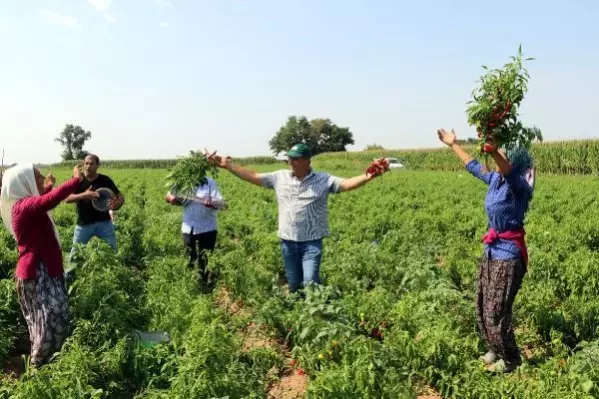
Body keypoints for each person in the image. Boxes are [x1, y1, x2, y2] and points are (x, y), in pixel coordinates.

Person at [207, 143, 388, 293]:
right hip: (288, 241)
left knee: (310, 282)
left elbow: (346, 184)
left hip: (311, 242)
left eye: (296, 158)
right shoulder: (279, 177)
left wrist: (370, 174)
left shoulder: (323, 179)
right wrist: (228, 166)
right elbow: (253, 176)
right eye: (290, 158)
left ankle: (315, 315)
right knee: (294, 284)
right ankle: (298, 314)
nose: (291, 162)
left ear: (307, 161)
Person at [437, 128, 535, 373]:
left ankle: (511, 360)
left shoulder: (519, 185)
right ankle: (495, 346)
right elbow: (473, 165)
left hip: (508, 254)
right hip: (491, 250)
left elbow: (508, 169)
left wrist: (494, 149)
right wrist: (453, 144)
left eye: (505, 156)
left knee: (496, 308)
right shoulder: (495, 180)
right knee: (482, 303)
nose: (501, 159)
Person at [0, 163, 84, 367]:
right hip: (35, 273)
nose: (41, 178)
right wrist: (75, 180)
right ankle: (38, 363)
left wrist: (46, 186)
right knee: (47, 318)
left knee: (56, 314)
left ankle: (51, 359)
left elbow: (41, 202)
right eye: (37, 176)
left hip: (46, 268)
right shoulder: (22, 207)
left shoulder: (27, 204)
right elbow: (47, 202)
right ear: (24, 182)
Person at [164, 177, 227, 285]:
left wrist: (212, 202)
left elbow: (223, 204)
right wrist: (172, 199)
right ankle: (190, 283)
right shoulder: (183, 181)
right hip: (188, 226)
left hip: (207, 226)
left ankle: (205, 283)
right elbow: (167, 196)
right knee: (189, 256)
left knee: (205, 257)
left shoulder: (209, 182)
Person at [65, 154, 124, 253]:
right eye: (86, 163)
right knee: (75, 254)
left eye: (91, 164)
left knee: (112, 252)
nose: (88, 166)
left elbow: (120, 197)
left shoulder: (105, 180)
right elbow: (67, 198)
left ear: (97, 165)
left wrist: (116, 205)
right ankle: (75, 268)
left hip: (104, 223)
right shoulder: (77, 180)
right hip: (83, 224)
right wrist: (83, 195)